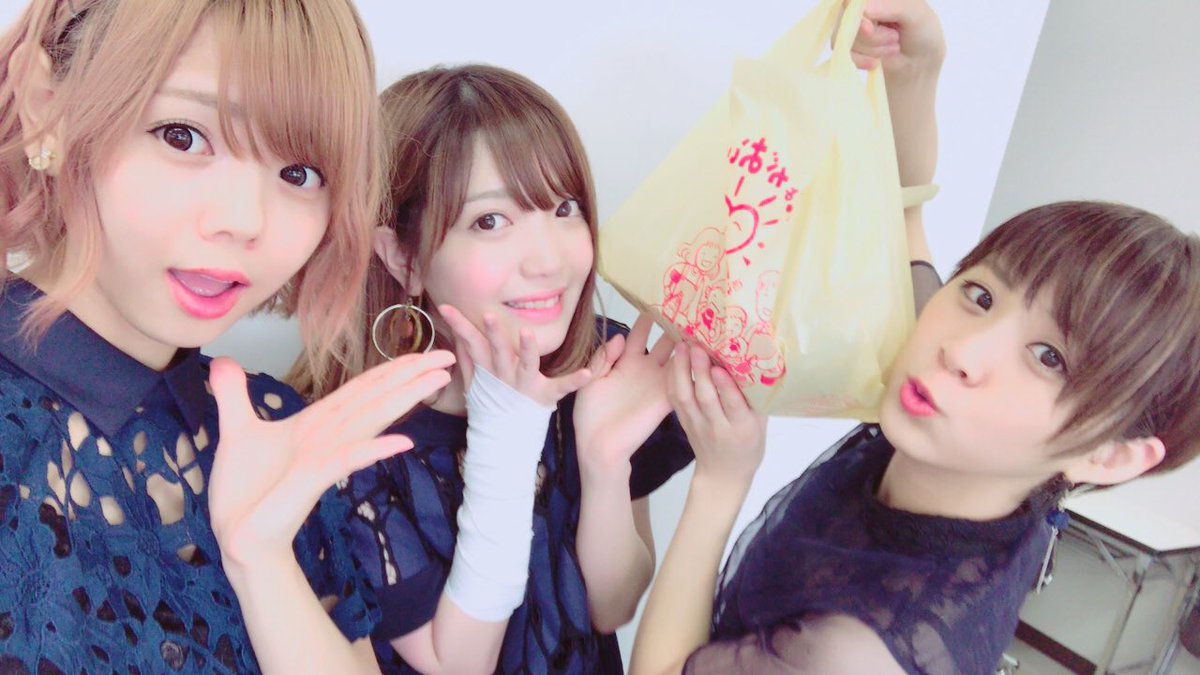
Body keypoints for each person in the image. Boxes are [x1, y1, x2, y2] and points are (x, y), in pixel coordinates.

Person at [629, 1, 1200, 674]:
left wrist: (719, 482)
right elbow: (904, 213)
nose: (961, 349)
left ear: (1108, 455)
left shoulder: (855, 654)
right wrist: (917, 71)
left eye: (1049, 358)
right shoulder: (978, 440)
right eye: (981, 294)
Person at [0, 1, 456, 672]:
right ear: (49, 107)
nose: (245, 221)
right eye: (182, 136)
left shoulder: (269, 429)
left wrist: (260, 560)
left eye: (300, 174)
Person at [294, 64, 694, 674]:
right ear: (404, 258)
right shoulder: (353, 444)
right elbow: (458, 665)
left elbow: (611, 607)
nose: (548, 261)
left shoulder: (600, 362)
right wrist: (506, 435)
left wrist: (605, 464)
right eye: (490, 221)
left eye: (564, 208)